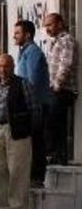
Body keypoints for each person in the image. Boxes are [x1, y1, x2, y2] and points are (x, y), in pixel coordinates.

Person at [0, 53, 36, 209]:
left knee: (17, 170)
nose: (3, 70)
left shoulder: (22, 84)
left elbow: (34, 109)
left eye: (6, 66)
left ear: (13, 67)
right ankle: (2, 208)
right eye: (0, 66)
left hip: (16, 130)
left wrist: (28, 128)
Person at [13, 19, 50, 184]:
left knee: (36, 142)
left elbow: (32, 82)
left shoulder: (33, 52)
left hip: (35, 105)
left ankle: (36, 177)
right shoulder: (24, 52)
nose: (14, 36)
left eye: (17, 33)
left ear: (27, 35)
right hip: (27, 105)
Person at [43, 12, 77, 166]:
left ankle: (60, 156)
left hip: (63, 89)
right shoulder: (55, 42)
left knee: (56, 123)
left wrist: (57, 86)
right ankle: (57, 156)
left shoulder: (66, 40)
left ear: (60, 24)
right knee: (55, 124)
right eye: (45, 26)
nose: (47, 28)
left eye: (50, 25)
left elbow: (66, 64)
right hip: (54, 89)